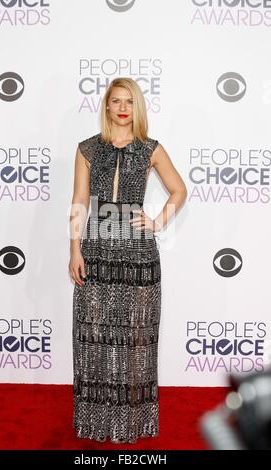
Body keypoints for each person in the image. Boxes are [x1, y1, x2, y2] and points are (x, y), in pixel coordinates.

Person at [69, 77, 187, 444]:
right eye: (116, 101)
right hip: (98, 250)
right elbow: (79, 202)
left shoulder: (150, 148)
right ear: (106, 106)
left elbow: (179, 189)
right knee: (93, 338)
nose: (122, 107)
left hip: (138, 253)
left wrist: (157, 221)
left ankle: (132, 423)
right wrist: (75, 249)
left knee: (136, 341)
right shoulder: (88, 148)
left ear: (137, 107)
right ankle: (95, 422)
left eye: (129, 101)